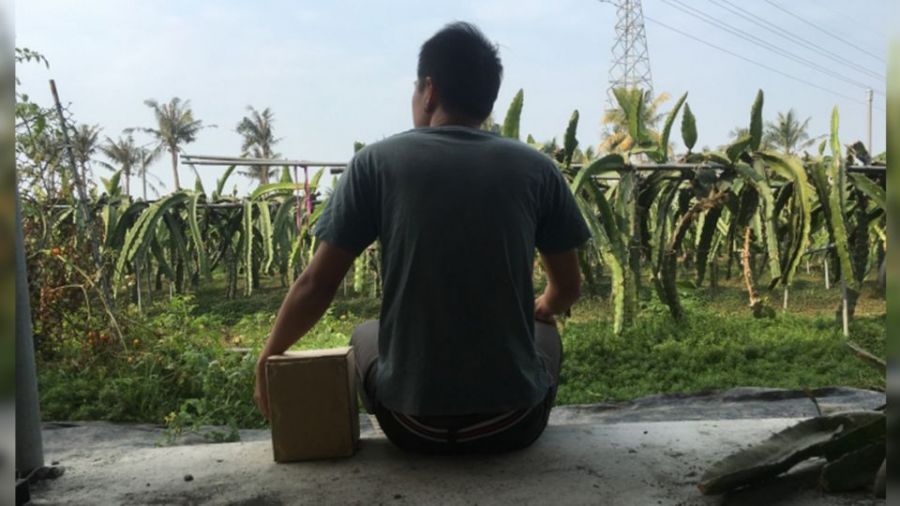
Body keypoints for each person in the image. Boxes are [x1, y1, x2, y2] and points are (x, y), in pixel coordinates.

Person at [254, 22, 589, 455]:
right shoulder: (538, 169)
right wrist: (540, 308)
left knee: (366, 332)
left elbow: (317, 284)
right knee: (543, 330)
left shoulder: (374, 163)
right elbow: (568, 289)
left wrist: (268, 356)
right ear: (488, 101)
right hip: (514, 424)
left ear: (429, 91)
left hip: (411, 426)